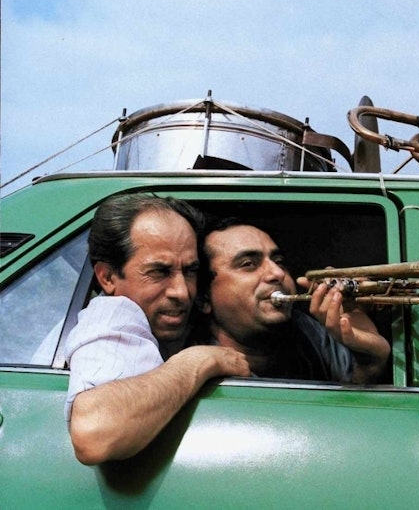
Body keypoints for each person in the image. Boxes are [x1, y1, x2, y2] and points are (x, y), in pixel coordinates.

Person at [65, 193, 251, 466]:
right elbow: (95, 434)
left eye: (190, 271)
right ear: (108, 277)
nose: (182, 292)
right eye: (159, 272)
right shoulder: (112, 313)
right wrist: (197, 361)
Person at [197, 217, 391, 384]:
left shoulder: (304, 329)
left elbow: (350, 402)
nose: (278, 273)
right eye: (248, 264)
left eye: (279, 262)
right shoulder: (195, 365)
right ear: (203, 298)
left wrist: (370, 362)